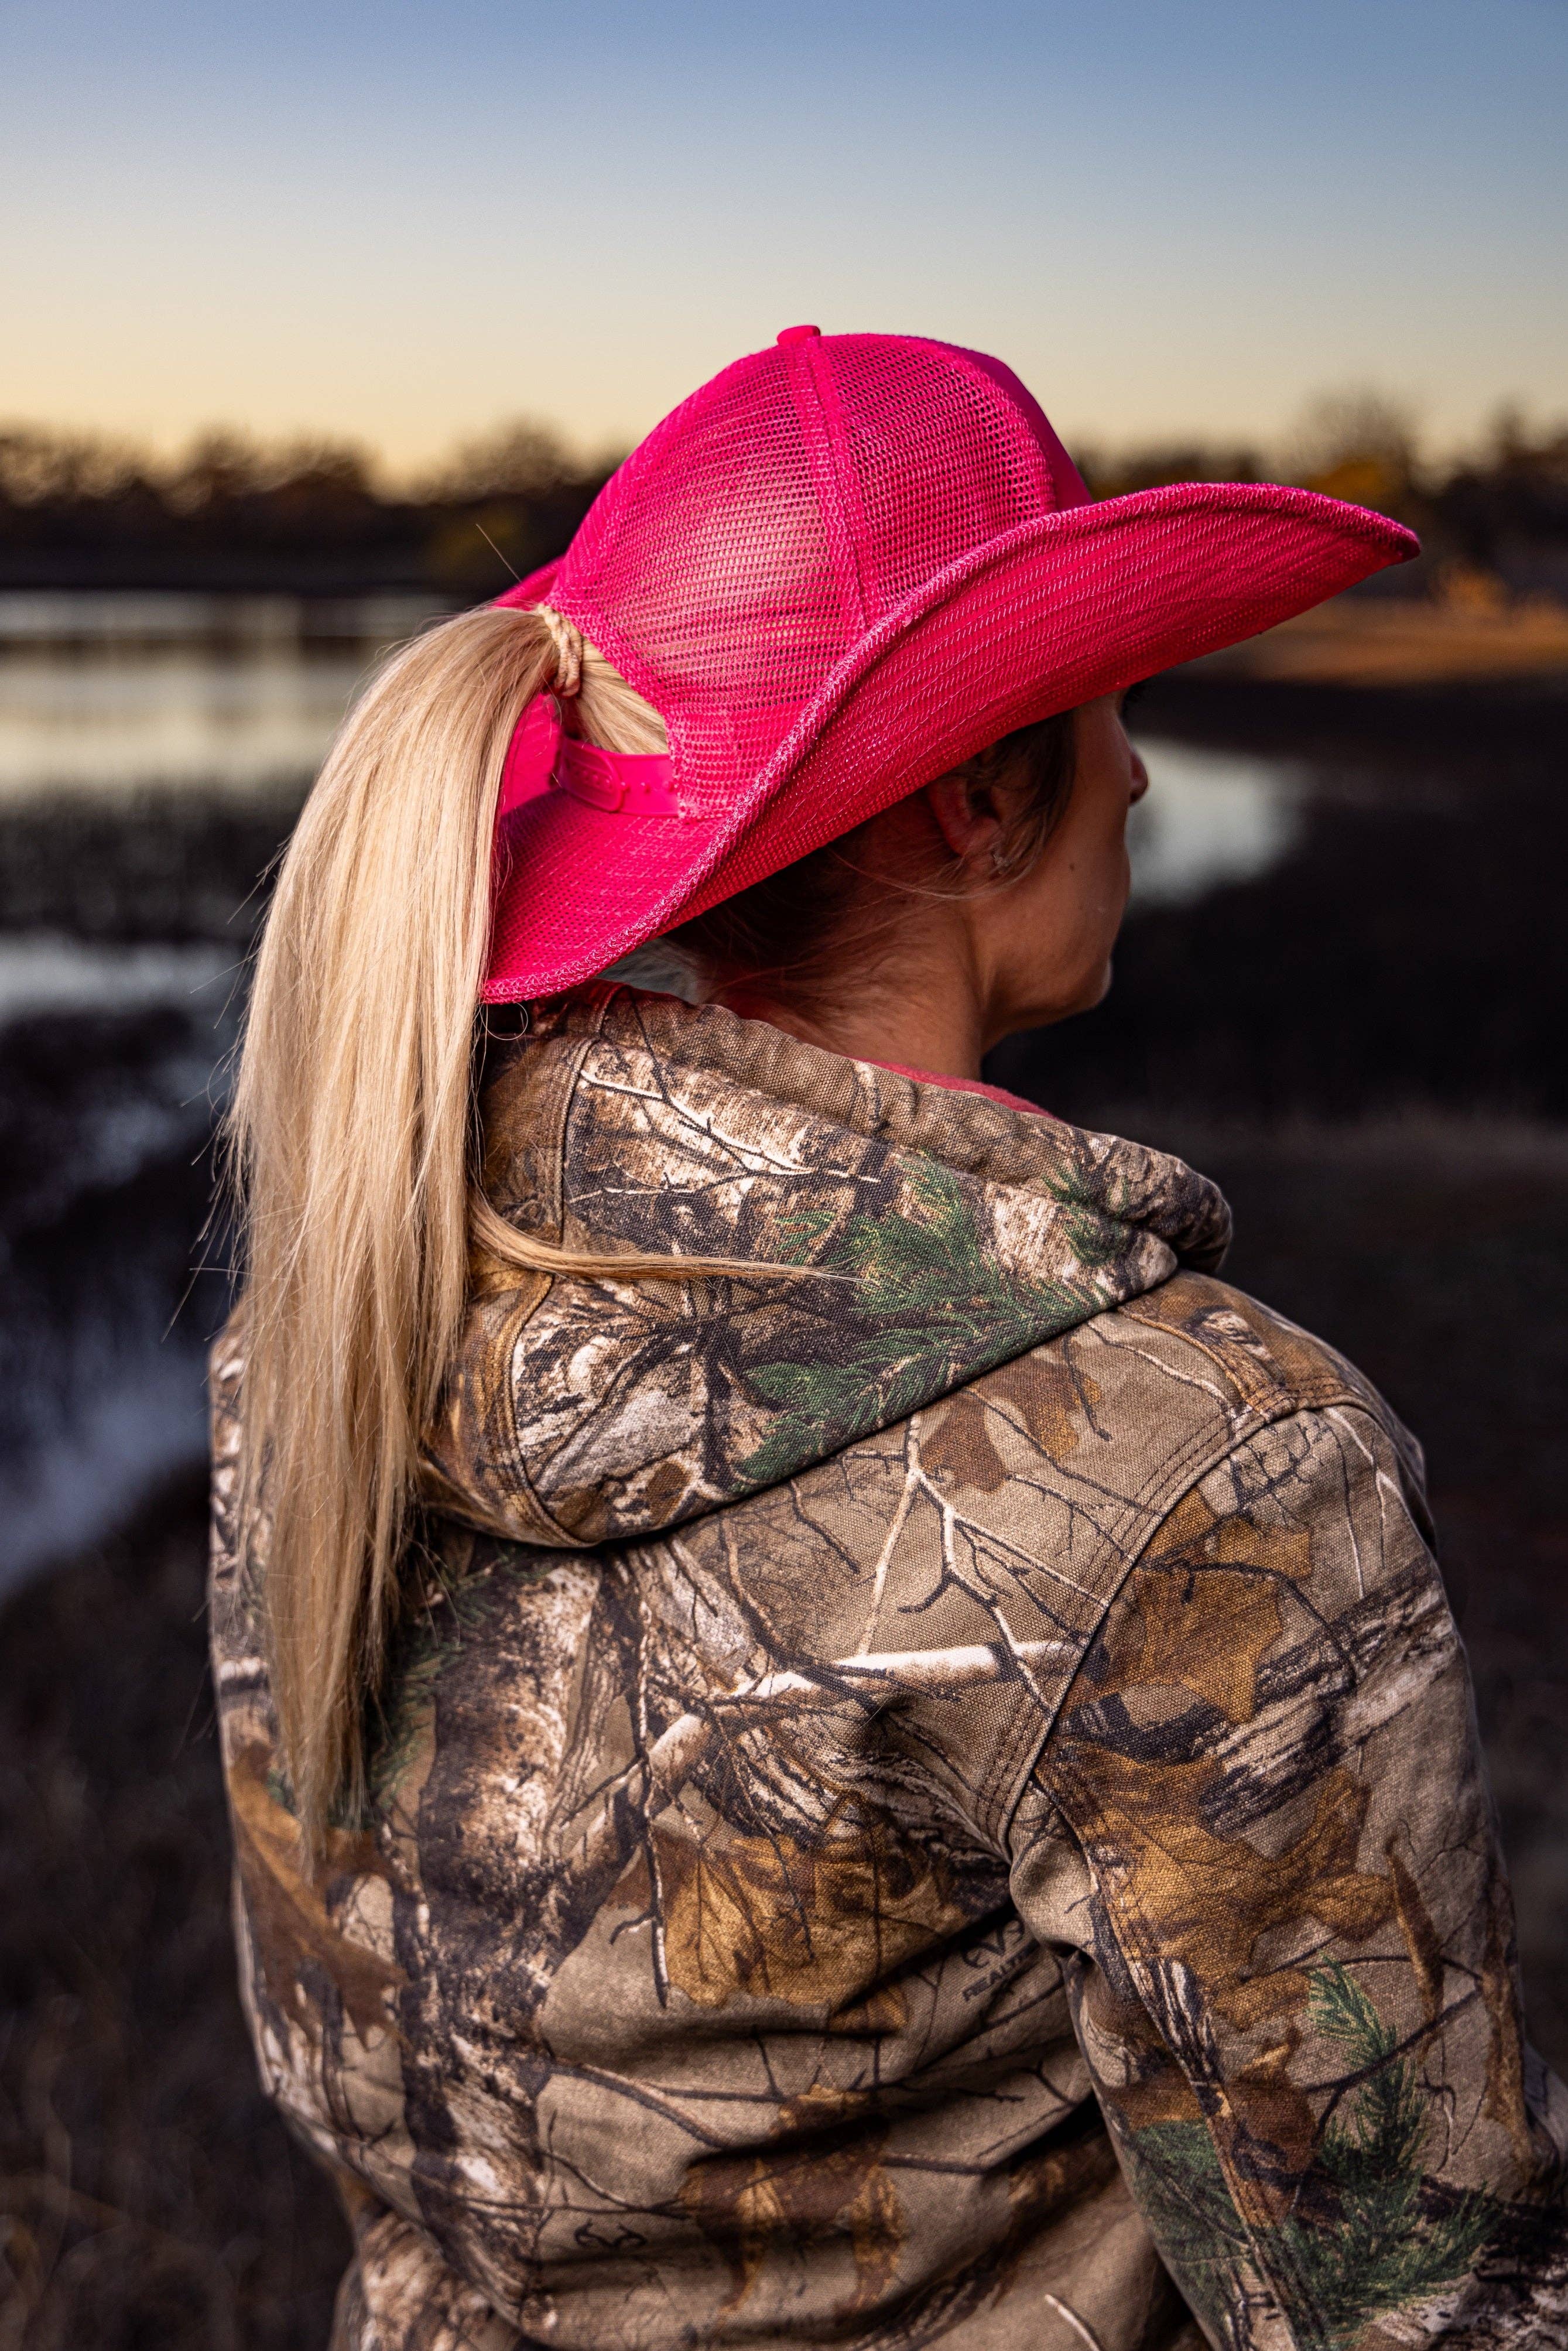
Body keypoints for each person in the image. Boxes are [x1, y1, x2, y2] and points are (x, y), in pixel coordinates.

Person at [211, 327, 1568, 2351]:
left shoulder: (340, 1313)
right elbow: (1412, 2317)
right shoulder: (1202, 1473)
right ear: (980, 797)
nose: (1137, 765)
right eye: (1105, 706)